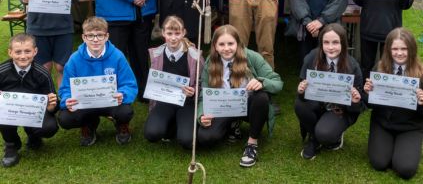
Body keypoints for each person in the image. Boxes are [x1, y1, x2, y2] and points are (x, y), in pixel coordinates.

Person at [197, 25, 283, 167]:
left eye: (230, 43)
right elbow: (203, 95)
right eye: (221, 44)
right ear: (215, 46)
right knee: (205, 138)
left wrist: (262, 82)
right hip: (223, 107)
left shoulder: (252, 57)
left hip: (249, 106)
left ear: (238, 44)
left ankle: (252, 143)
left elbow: (277, 83)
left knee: (261, 97)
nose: (226, 48)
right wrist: (201, 115)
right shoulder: (210, 62)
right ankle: (232, 124)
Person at [58, 17, 138, 146]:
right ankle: (89, 124)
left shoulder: (117, 56)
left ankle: (121, 124)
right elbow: (65, 88)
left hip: (111, 101)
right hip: (85, 102)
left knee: (125, 112)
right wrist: (67, 99)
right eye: (90, 36)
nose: (95, 40)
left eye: (100, 35)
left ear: (107, 36)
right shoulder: (74, 59)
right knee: (65, 119)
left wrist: (122, 94)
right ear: (84, 37)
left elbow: (129, 84)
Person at [295, 23, 363, 160]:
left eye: (335, 42)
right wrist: (301, 91)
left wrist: (355, 101)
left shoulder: (353, 65)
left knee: (325, 135)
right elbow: (303, 93)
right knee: (299, 105)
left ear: (343, 43)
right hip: (317, 104)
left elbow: (359, 106)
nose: (330, 47)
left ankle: (327, 134)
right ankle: (313, 138)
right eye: (326, 42)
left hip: (339, 110)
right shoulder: (311, 57)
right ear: (321, 43)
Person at [364, 28, 423, 179]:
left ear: (412, 49)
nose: (399, 53)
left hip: (410, 127)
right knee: (379, 163)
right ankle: (390, 146)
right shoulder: (379, 68)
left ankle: (402, 149)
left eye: (404, 48)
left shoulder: (421, 73)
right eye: (395, 48)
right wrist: (367, 93)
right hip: (383, 123)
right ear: (388, 50)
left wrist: (422, 102)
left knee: (405, 169)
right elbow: (368, 105)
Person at [144, 16, 204, 149]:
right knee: (152, 134)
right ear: (163, 33)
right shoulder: (156, 54)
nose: (173, 38)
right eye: (169, 33)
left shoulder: (195, 56)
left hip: (187, 102)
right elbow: (154, 81)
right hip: (165, 100)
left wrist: (194, 90)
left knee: (187, 141)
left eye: (177, 33)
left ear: (183, 33)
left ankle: (181, 124)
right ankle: (171, 124)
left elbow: (202, 82)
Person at [0, 34, 58, 167]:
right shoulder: (1, 71)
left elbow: (52, 105)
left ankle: (33, 135)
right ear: (10, 52)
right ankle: (11, 145)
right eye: (18, 52)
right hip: (9, 112)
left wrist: (51, 105)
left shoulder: (42, 73)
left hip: (34, 113)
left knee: (49, 127)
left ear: (35, 51)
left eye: (27, 51)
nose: (23, 56)